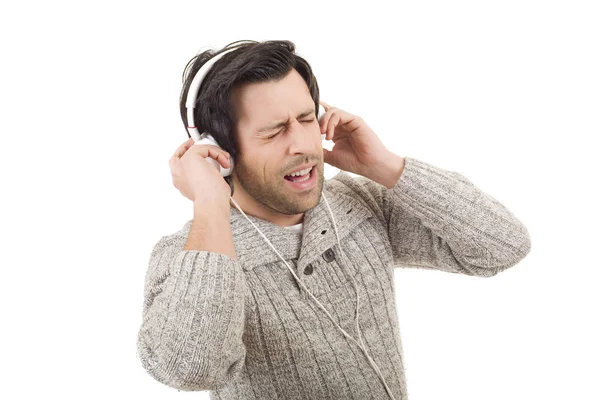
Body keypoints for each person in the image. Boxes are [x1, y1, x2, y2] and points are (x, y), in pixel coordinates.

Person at [136, 40, 531, 400]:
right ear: (218, 149)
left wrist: (386, 166)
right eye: (274, 132)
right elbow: (190, 369)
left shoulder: (357, 204)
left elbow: (502, 245)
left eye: (306, 119)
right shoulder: (186, 255)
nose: (304, 144)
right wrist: (209, 203)